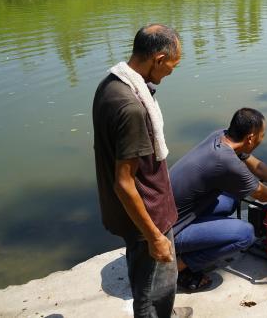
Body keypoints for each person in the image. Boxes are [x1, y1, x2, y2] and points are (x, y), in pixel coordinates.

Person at [93, 24, 191, 318]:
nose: (171, 73)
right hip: (146, 215)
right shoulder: (132, 107)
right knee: (153, 286)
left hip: (140, 209)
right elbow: (124, 183)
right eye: (172, 66)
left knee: (154, 281)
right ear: (159, 59)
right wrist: (154, 237)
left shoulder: (111, 84)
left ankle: (166, 312)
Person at [170, 108, 267, 292]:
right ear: (250, 138)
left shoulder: (220, 136)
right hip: (167, 233)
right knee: (245, 235)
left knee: (232, 198)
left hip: (175, 214)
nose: (262, 139)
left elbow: (259, 168)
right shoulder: (225, 161)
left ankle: (195, 242)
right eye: (262, 135)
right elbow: (262, 194)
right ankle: (178, 266)